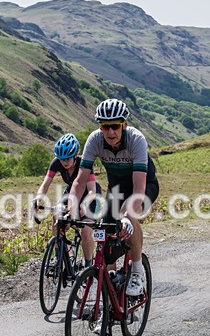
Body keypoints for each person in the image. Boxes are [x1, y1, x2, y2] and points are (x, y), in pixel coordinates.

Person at [68, 99, 160, 297]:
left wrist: (126, 216)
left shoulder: (136, 140)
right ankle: (111, 286)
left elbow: (138, 189)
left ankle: (137, 272)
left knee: (129, 216)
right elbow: (80, 181)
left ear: (124, 124)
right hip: (116, 189)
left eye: (115, 126)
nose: (110, 132)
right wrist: (69, 208)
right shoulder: (95, 140)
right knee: (105, 233)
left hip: (143, 187)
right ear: (100, 127)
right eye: (105, 126)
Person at [34, 133, 99, 266]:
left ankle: (88, 265)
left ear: (76, 154)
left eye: (68, 159)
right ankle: (58, 256)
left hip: (89, 194)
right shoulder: (56, 163)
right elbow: (45, 184)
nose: (64, 162)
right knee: (57, 218)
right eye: (61, 159)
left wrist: (84, 205)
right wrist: (38, 199)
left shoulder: (84, 163)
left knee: (86, 232)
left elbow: (92, 190)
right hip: (71, 193)